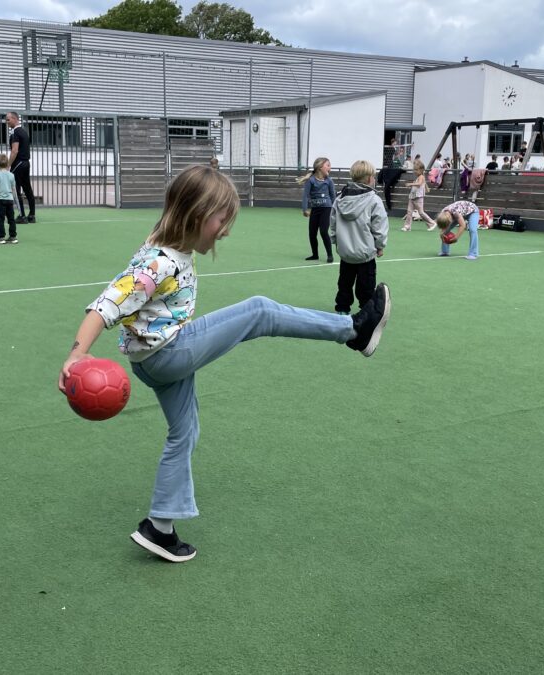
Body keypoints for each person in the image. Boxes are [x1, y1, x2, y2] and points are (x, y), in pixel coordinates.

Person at [57, 165, 392, 563]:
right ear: (196, 215)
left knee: (184, 432)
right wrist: (77, 353)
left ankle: (159, 528)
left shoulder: (165, 245)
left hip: (150, 361)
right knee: (259, 311)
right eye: (222, 220)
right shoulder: (157, 263)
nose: (226, 230)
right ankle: (353, 329)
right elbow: (107, 304)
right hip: (169, 354)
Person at [330, 159, 389, 315]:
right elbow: (379, 225)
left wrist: (336, 241)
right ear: (369, 178)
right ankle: (366, 312)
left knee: (344, 283)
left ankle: (342, 310)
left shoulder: (340, 198)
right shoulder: (374, 200)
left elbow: (333, 223)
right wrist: (380, 245)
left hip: (346, 253)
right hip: (365, 254)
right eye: (374, 177)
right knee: (366, 285)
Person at [297, 157, 336, 262]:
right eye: (328, 165)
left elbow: (333, 197)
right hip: (315, 210)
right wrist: (305, 209)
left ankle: (330, 255)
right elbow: (305, 196)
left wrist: (335, 210)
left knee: (323, 231)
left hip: (326, 209)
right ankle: (315, 255)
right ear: (320, 167)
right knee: (312, 233)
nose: (330, 168)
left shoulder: (329, 181)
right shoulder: (311, 181)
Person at [6, 111, 35, 223]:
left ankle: (22, 216)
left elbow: (14, 150)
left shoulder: (15, 133)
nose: (7, 122)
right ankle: (32, 215)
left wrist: (8, 165)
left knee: (16, 190)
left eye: (8, 120)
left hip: (18, 164)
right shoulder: (24, 132)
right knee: (27, 188)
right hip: (26, 163)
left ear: (15, 119)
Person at [0, 153, 18, 244]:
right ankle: (13, 236)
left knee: (0, 219)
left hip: (0, 200)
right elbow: (13, 189)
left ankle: (1, 237)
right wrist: (14, 199)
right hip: (10, 200)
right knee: (11, 219)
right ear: (7, 164)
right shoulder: (11, 175)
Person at [401, 160, 435, 232]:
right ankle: (407, 226)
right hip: (412, 197)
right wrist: (412, 185)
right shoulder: (418, 177)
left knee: (421, 212)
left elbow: (419, 184)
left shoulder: (421, 177)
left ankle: (432, 223)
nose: (415, 171)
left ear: (421, 170)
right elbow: (417, 186)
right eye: (414, 170)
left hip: (418, 198)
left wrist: (410, 184)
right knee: (409, 212)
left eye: (416, 170)